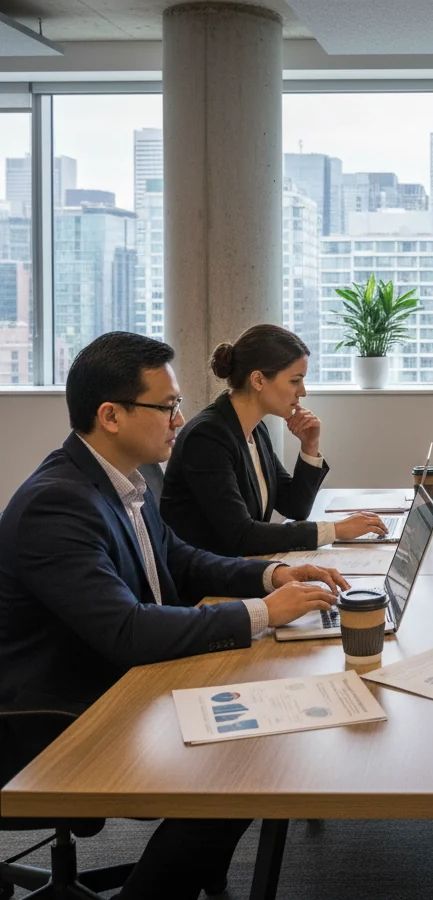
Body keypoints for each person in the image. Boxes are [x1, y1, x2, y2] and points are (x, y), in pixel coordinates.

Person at [0, 332, 349, 900]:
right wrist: (263, 612)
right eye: (166, 407)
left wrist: (273, 575)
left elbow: (179, 561)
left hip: (117, 677)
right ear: (110, 415)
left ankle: (190, 875)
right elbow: (128, 630)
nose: (180, 419)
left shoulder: (123, 480)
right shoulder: (57, 502)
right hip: (57, 714)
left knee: (260, 723)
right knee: (242, 761)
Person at [161, 324, 387, 555]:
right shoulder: (208, 437)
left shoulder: (256, 430)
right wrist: (335, 530)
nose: (303, 391)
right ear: (258, 380)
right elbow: (241, 535)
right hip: (207, 585)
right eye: (294, 381)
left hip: (242, 568)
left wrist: (309, 446)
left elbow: (295, 506)